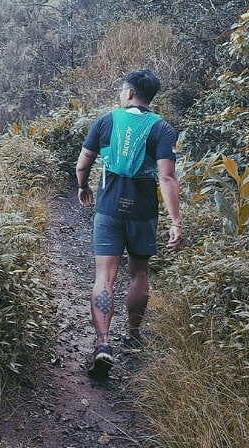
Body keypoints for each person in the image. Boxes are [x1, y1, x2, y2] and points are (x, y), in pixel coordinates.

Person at [74, 70, 182, 379]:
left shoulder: (106, 121)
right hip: (143, 212)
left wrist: (83, 186)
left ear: (130, 93)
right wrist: (176, 222)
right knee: (139, 273)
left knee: (104, 276)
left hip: (109, 209)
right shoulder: (162, 129)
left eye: (123, 89)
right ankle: (133, 335)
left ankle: (102, 343)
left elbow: (83, 163)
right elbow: (167, 177)